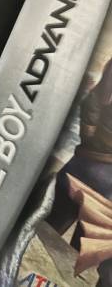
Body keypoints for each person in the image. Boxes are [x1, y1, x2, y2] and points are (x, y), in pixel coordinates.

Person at [47, 58, 112, 286]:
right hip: (103, 179)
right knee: (76, 251)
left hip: (83, 165)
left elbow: (92, 103)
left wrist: (91, 137)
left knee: (49, 229)